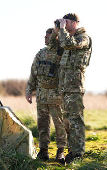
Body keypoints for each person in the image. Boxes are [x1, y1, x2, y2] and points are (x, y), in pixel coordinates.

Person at [48, 13, 92, 164]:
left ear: (74, 23)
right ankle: (72, 151)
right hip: (64, 87)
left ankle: (78, 153)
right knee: (66, 121)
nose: (64, 24)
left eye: (66, 22)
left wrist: (62, 30)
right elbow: (52, 48)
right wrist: (56, 32)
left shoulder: (83, 37)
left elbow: (68, 43)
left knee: (75, 120)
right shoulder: (64, 36)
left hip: (75, 86)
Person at [26, 28, 66, 164]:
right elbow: (33, 73)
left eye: (48, 37)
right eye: (44, 37)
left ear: (54, 38)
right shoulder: (40, 53)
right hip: (41, 96)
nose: (45, 39)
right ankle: (43, 151)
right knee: (42, 125)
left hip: (56, 96)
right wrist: (28, 90)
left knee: (59, 124)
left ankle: (61, 151)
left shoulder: (61, 53)